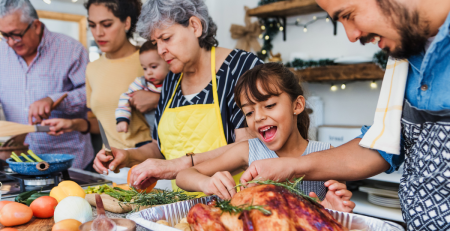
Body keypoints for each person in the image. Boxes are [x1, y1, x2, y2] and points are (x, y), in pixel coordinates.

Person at [240, 0, 450, 230]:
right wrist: (291, 166)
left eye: (349, 15)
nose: (351, 36)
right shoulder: (405, 54)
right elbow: (380, 147)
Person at [93, 0, 263, 193]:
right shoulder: (172, 79)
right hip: (181, 204)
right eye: (156, 43)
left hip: (237, 199)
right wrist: (127, 156)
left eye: (166, 38)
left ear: (194, 26)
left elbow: (249, 147)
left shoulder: (241, 68)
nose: (160, 51)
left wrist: (176, 166)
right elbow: (159, 148)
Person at [176, 63, 355, 212]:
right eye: (249, 112)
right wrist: (207, 183)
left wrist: (335, 211)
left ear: (298, 105)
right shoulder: (248, 150)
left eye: (269, 105)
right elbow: (184, 175)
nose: (258, 117)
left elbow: (336, 214)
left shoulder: (326, 154)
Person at [43, 0, 157, 156]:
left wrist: (158, 98)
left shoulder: (150, 61)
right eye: (92, 25)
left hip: (148, 161)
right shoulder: (92, 68)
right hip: (111, 162)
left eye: (107, 24)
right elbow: (105, 123)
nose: (98, 33)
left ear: (126, 23)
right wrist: (74, 124)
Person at [0, 0, 93, 169]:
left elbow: (92, 94)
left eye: (16, 34)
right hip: (20, 162)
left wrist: (55, 99)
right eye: (5, 35)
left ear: (35, 25)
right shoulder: (1, 52)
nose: (11, 42)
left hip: (68, 161)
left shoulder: (71, 50)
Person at [116, 41, 169, 134]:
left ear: (168, 62)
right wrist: (122, 119)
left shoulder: (176, 81)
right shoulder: (141, 83)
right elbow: (125, 97)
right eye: (144, 68)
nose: (148, 72)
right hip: (155, 132)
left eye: (153, 66)